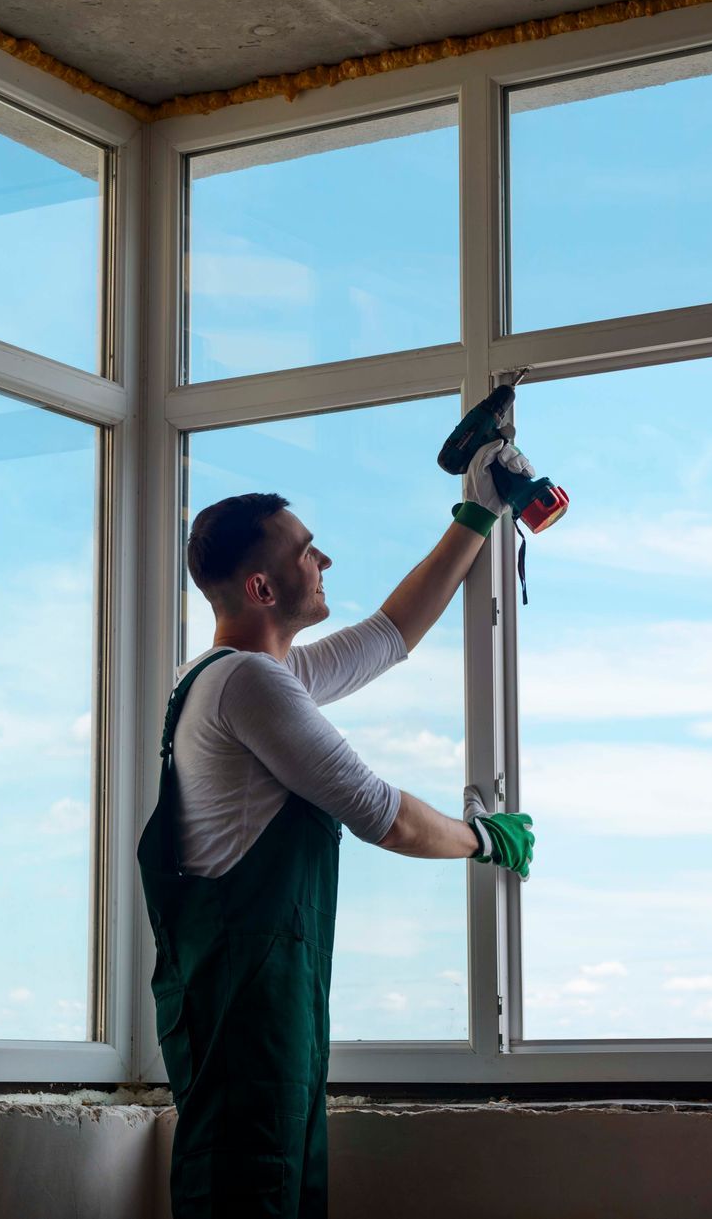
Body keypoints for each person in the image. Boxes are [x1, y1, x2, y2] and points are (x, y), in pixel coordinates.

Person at [140, 437, 538, 1218]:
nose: (324, 559)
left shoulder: (238, 677)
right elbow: (382, 815)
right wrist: (486, 838)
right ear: (261, 586)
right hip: (249, 1029)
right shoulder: (249, 685)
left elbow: (391, 634)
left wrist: (475, 515)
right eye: (305, 551)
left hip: (253, 1021)